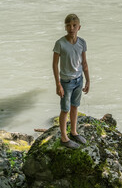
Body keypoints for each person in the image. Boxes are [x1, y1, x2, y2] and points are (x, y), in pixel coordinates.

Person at [52, 13, 90, 149]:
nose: (71, 28)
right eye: (68, 25)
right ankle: (64, 137)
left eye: (74, 25)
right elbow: (54, 64)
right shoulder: (60, 43)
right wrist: (58, 84)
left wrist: (88, 81)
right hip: (66, 82)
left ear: (79, 27)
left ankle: (74, 132)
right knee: (65, 109)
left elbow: (84, 63)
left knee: (75, 106)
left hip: (79, 80)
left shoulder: (82, 43)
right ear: (65, 27)